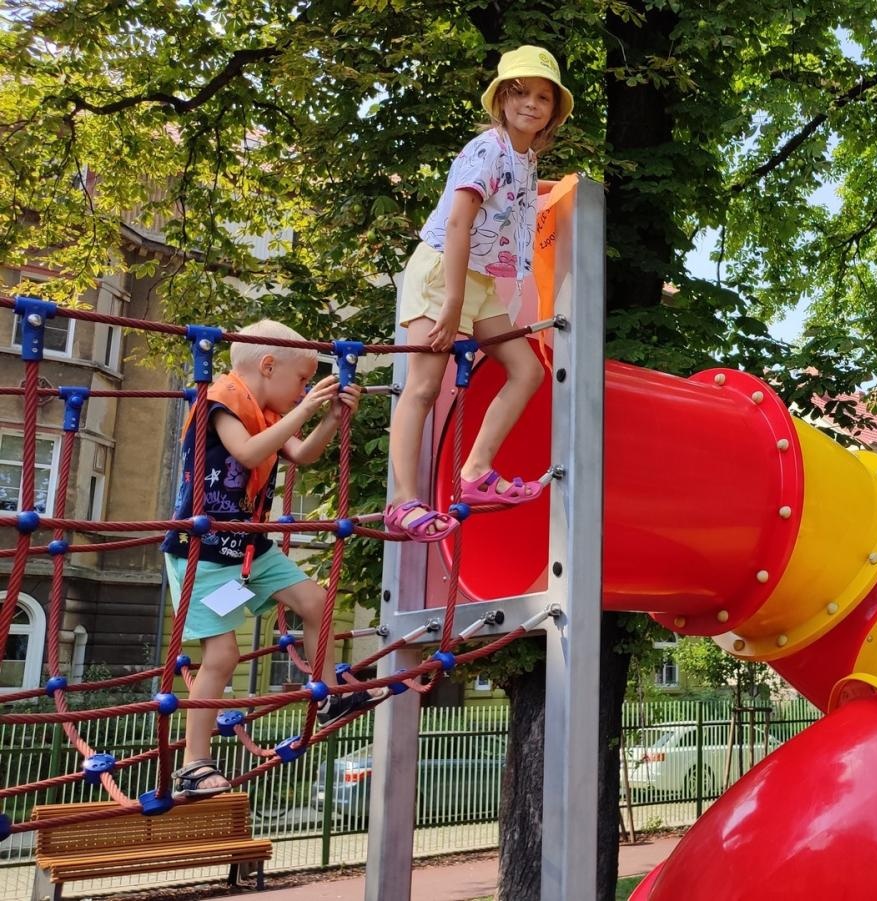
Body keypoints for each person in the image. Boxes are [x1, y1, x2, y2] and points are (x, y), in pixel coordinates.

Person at [162, 320, 386, 798]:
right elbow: (245, 453)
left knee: (316, 602)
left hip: (246, 550)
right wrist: (306, 407)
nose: (305, 388)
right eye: (301, 380)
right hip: (202, 554)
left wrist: (327, 419)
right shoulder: (221, 401)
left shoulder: (264, 411)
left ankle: (327, 697)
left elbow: (301, 454)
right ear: (267, 366)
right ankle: (193, 763)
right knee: (223, 655)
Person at [386, 45, 573, 541]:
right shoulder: (487, 149)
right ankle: (403, 501)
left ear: (552, 112)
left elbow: (513, 201)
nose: (531, 104)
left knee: (526, 369)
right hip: (443, 272)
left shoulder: (524, 159)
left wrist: (568, 190)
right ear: (501, 100)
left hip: (480, 282)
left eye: (543, 97)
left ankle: (475, 473)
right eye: (520, 93)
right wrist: (450, 303)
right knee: (423, 386)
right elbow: (458, 222)